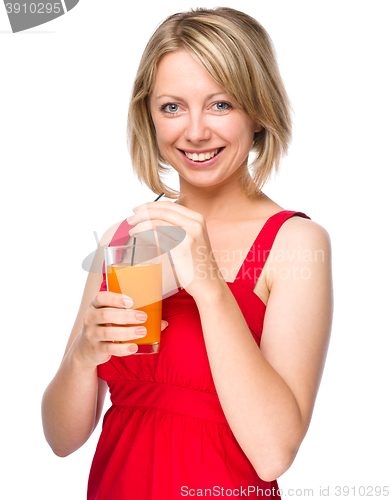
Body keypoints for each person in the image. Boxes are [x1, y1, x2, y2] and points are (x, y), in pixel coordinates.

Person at [42, 7, 333, 499]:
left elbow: (273, 453)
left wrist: (207, 285)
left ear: (258, 110)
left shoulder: (295, 243)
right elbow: (60, 439)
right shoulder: (124, 237)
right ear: (149, 116)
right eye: (172, 107)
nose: (195, 132)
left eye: (221, 104)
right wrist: (82, 357)